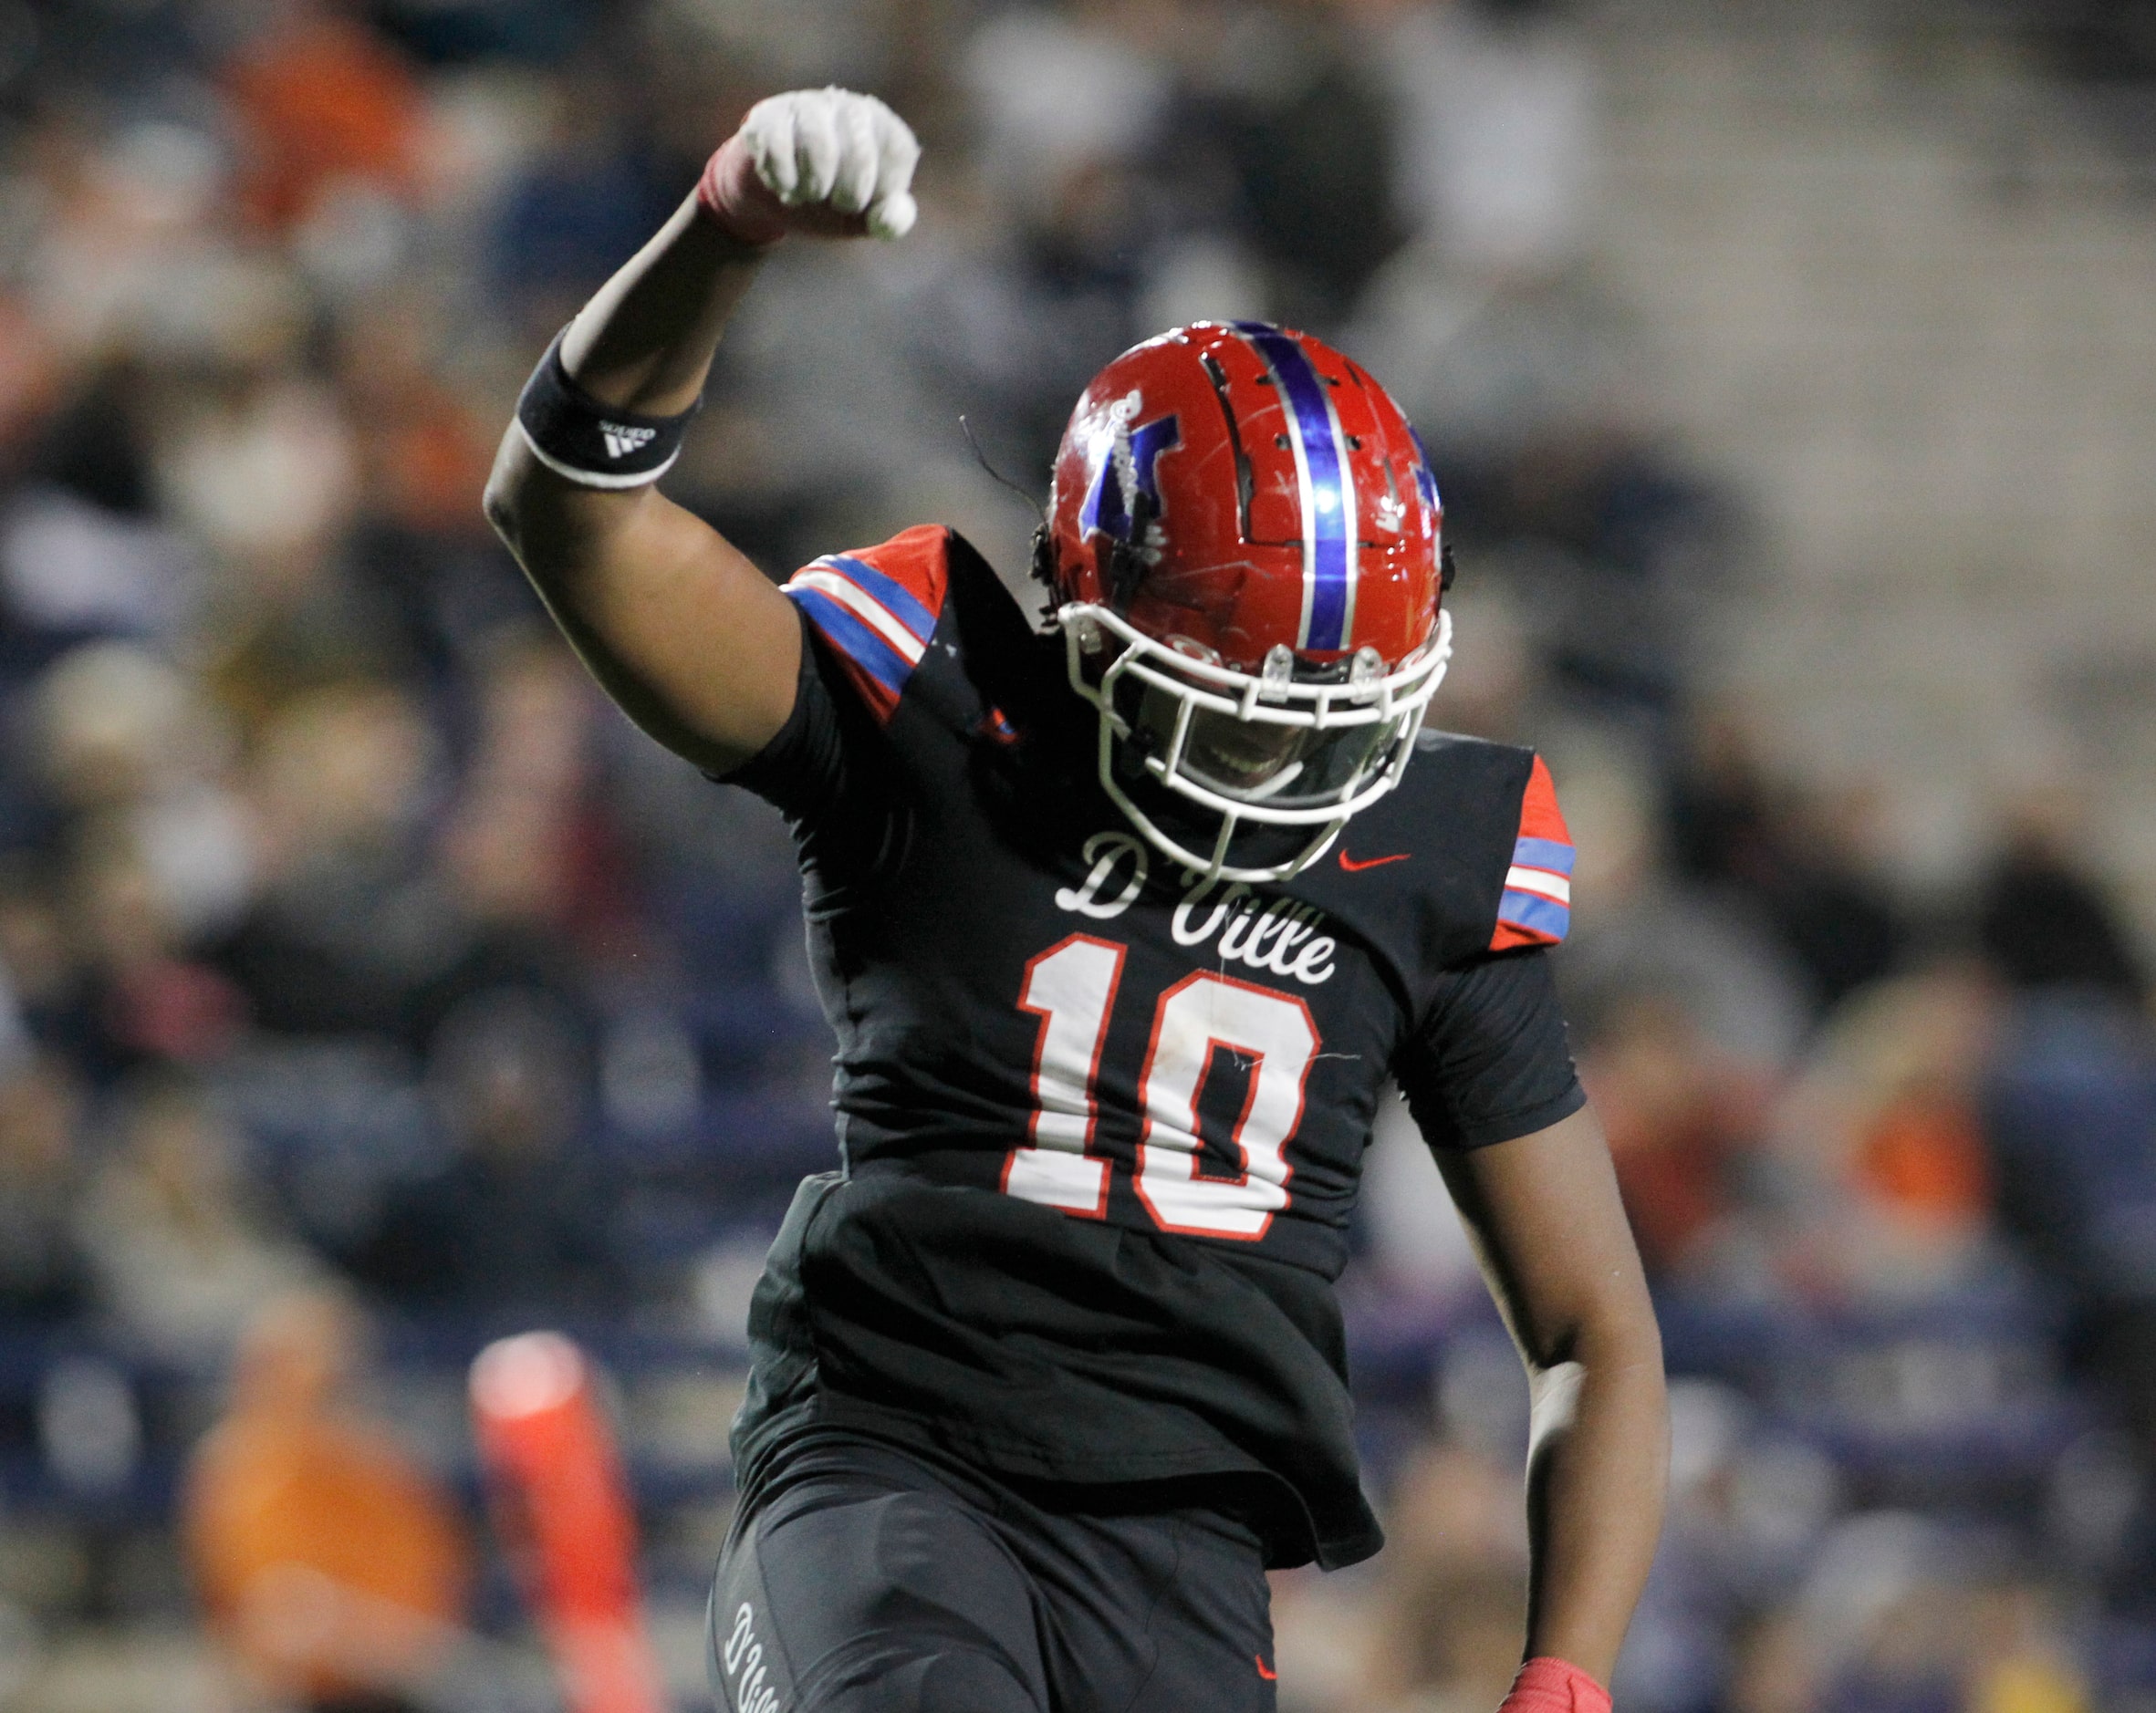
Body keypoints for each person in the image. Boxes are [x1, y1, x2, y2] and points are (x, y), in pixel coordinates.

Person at [484, 88, 1667, 1713]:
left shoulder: (1432, 855)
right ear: (1082, 617)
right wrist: (727, 224)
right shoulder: (935, 712)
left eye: (1327, 714)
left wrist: (1569, 1674)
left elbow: (1593, 1324)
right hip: (895, 1461)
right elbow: (570, 506)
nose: (1280, 761)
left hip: (1187, 1549)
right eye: (1236, 704)